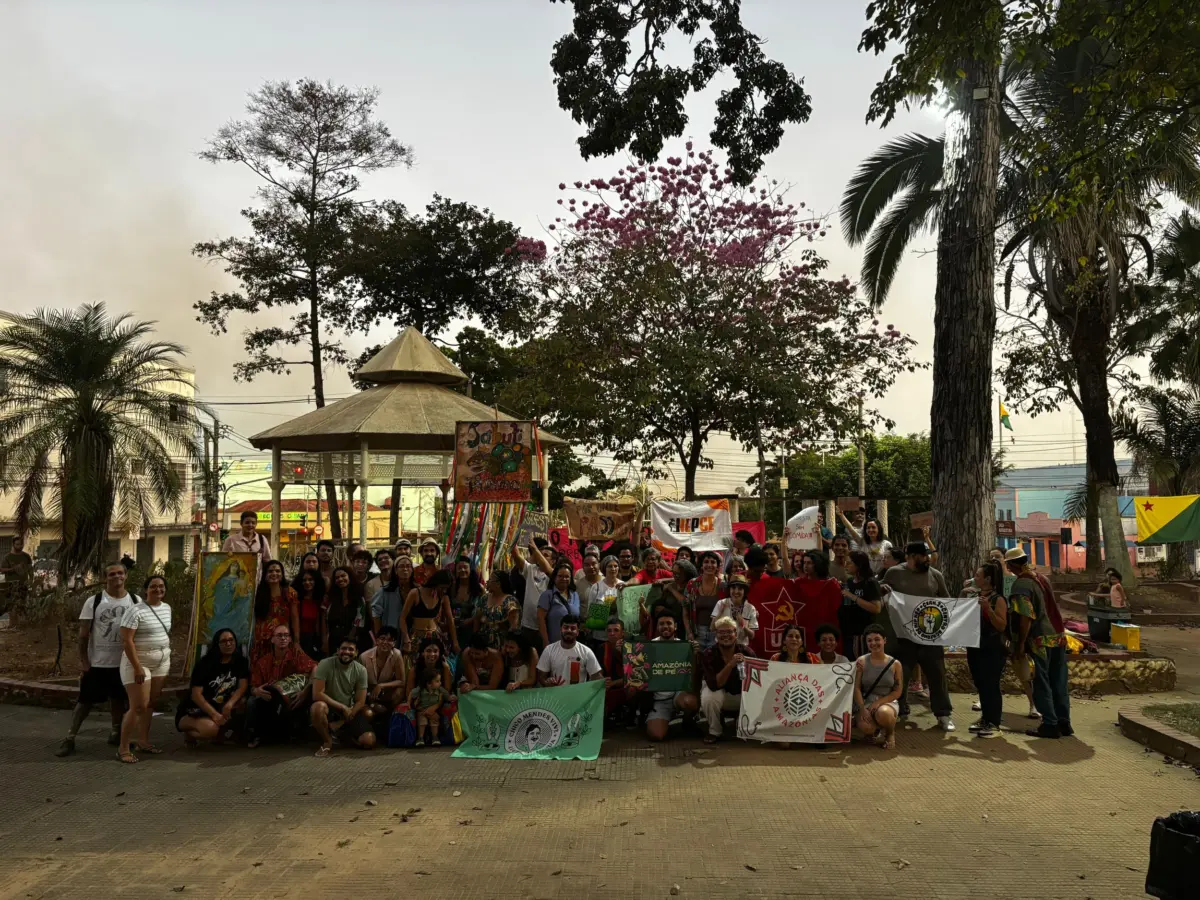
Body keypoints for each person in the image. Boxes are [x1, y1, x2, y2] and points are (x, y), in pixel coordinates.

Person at [56, 562, 140, 757]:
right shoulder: (94, 602)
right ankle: (70, 738)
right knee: (84, 702)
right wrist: (84, 662)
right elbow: (83, 635)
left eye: (120, 573)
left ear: (126, 575)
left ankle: (116, 732)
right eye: (112, 574)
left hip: (123, 663)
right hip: (98, 663)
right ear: (105, 578)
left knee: (118, 699)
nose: (117, 577)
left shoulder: (135, 601)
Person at [882, 541, 955, 731]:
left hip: (930, 636)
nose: (928, 558)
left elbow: (946, 601)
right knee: (900, 676)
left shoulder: (935, 575)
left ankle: (943, 714)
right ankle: (898, 709)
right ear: (912, 556)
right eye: (924, 555)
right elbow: (881, 592)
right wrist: (883, 590)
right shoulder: (894, 573)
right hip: (904, 636)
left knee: (937, 675)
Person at [1005, 548, 1071, 738]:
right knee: (1059, 681)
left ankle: (1050, 724)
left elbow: (1025, 616)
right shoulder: (1042, 578)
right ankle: (1064, 722)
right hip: (1058, 636)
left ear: (1011, 565)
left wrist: (1020, 643)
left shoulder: (1021, 585)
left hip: (1040, 639)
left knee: (1042, 682)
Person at [115, 574, 172, 763]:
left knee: (150, 704)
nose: (158, 589)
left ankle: (143, 741)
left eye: (161, 586)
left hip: (161, 663)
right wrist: (138, 667)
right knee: (138, 706)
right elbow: (127, 641)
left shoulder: (167, 608)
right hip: (138, 663)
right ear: (146, 590)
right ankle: (123, 748)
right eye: (153, 586)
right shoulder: (135, 611)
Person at [177, 628, 250, 747]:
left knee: (243, 702)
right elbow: (196, 695)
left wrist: (230, 704)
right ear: (217, 644)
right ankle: (189, 731)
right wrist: (214, 715)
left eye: (231, 640)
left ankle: (222, 733)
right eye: (224, 641)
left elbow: (243, 686)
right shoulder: (204, 664)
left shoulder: (241, 661)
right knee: (210, 730)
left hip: (222, 705)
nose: (228, 644)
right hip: (197, 709)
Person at [248, 623, 316, 747]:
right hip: (269, 699)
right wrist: (256, 691)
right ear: (272, 639)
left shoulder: (297, 655)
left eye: (286, 635)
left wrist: (305, 691)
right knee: (252, 701)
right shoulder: (263, 662)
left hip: (292, 698)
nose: (283, 638)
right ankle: (255, 736)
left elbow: (315, 668)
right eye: (279, 635)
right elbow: (253, 686)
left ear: (290, 639)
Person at [964, 559, 1008, 738]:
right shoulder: (975, 596)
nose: (975, 578)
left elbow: (1001, 625)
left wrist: (988, 609)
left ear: (988, 579)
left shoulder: (998, 600)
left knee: (991, 685)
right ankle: (986, 718)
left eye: (978, 576)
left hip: (992, 649)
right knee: (981, 684)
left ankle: (994, 723)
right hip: (975, 646)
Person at [311, 638, 375, 756]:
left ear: (356, 653)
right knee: (317, 707)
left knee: (368, 740)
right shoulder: (325, 664)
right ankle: (327, 741)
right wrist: (342, 707)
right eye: (343, 648)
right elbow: (317, 694)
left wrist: (343, 721)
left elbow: (360, 701)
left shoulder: (361, 670)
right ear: (337, 651)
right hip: (330, 707)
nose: (346, 652)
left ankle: (342, 735)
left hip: (349, 711)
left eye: (351, 649)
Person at [644, 613, 699, 741]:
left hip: (679, 694)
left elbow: (693, 674)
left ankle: (688, 720)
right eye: (661, 624)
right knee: (656, 735)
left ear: (675, 626)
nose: (665, 626)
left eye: (669, 623)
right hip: (660, 700)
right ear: (657, 627)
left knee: (690, 702)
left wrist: (695, 655)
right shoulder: (649, 647)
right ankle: (663, 719)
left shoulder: (685, 646)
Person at [699, 615, 755, 742]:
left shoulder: (747, 652)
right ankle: (715, 731)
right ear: (716, 635)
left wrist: (746, 665)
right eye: (721, 632)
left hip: (740, 697)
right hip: (720, 694)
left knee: (755, 695)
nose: (725, 635)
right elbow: (714, 685)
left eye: (729, 632)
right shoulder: (708, 654)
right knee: (708, 697)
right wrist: (730, 665)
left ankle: (742, 725)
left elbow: (756, 682)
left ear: (736, 633)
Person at [854, 624, 903, 749]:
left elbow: (897, 691)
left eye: (877, 639)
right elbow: (856, 687)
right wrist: (862, 708)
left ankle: (890, 733)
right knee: (866, 726)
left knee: (884, 713)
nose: (873, 643)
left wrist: (879, 702)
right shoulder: (861, 661)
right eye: (869, 640)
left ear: (884, 640)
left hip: (887, 701)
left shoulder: (895, 664)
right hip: (867, 701)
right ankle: (873, 731)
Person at [250, 560, 298, 662]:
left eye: (277, 571)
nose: (274, 573)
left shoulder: (290, 592)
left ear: (282, 574)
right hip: (261, 640)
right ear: (265, 574)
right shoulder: (257, 592)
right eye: (270, 571)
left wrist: (297, 641)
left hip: (282, 639)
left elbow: (295, 618)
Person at [401, 569, 458, 653]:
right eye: (442, 587)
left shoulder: (444, 597)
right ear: (436, 583)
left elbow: (450, 620)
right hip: (416, 636)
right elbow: (402, 618)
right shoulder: (415, 593)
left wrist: (455, 642)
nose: (444, 590)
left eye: (446, 588)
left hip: (435, 637)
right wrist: (406, 638)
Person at [536, 614, 602, 686]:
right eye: (566, 627)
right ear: (561, 630)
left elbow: (596, 676)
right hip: (556, 691)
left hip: (578, 693)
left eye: (573, 628)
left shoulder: (586, 652)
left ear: (577, 632)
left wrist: (593, 686)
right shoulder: (549, 650)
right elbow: (541, 677)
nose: (569, 630)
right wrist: (547, 683)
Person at [512, 538, 553, 651]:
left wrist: (535, 549)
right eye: (540, 554)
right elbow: (516, 555)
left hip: (545, 627)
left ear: (553, 560)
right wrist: (513, 535)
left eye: (546, 555)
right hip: (528, 626)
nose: (541, 556)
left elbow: (547, 569)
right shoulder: (531, 569)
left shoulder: (555, 574)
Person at [839, 550, 882, 659]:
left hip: (864, 633)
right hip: (849, 632)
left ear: (859, 565)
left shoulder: (870, 582)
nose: (846, 565)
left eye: (849, 563)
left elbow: (876, 608)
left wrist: (853, 596)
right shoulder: (849, 582)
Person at [359, 626, 406, 720]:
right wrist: (369, 698)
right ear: (377, 641)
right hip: (367, 694)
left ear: (394, 643)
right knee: (368, 714)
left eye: (390, 640)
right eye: (382, 638)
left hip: (386, 693)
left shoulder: (397, 654)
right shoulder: (364, 657)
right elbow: (359, 684)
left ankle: (390, 715)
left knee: (400, 691)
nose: (385, 642)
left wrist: (381, 686)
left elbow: (401, 681)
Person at [324, 566, 373, 655]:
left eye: (343, 576)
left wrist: (349, 639)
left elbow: (360, 620)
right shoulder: (332, 598)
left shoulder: (359, 597)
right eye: (337, 578)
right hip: (334, 640)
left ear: (349, 577)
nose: (340, 579)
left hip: (353, 641)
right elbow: (326, 619)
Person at [685, 551, 725, 647]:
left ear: (717, 566)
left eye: (713, 562)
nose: (709, 565)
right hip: (697, 633)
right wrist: (689, 632)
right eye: (706, 562)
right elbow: (685, 611)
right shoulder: (692, 584)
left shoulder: (723, 585)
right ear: (701, 565)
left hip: (718, 632)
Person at [474, 570, 521, 649]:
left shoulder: (510, 601)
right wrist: (475, 639)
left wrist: (507, 647)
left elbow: (513, 627)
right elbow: (477, 619)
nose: (487, 582)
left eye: (490, 580)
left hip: (501, 646)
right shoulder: (484, 598)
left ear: (498, 584)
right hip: (482, 645)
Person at [598, 617, 633, 723]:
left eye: (616, 630)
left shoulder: (631, 648)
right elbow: (598, 671)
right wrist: (602, 680)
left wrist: (622, 653)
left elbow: (634, 674)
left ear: (622, 633)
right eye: (609, 631)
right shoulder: (602, 648)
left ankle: (630, 715)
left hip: (625, 684)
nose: (612, 633)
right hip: (607, 684)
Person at [538, 561, 581, 647]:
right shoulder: (547, 595)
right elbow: (540, 620)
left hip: (572, 644)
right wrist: (546, 641)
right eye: (560, 576)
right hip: (554, 644)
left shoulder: (575, 595)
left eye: (567, 576)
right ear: (554, 577)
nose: (564, 579)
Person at [583, 556, 624, 646]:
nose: (613, 569)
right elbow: (591, 613)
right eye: (610, 566)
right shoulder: (596, 587)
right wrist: (610, 609)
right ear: (604, 568)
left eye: (615, 566)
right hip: (600, 637)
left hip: (618, 638)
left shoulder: (623, 585)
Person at [373, 555, 416, 637]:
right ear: (395, 570)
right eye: (401, 566)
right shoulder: (384, 591)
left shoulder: (418, 590)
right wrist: (379, 636)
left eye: (408, 566)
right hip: (391, 635)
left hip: (414, 634)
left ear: (412, 570)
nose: (405, 569)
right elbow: (376, 616)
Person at [711, 575, 758, 647]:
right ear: (729, 590)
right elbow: (712, 628)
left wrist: (743, 625)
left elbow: (752, 636)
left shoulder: (751, 608)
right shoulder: (721, 603)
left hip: (741, 648)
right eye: (733, 588)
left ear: (744, 591)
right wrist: (719, 613)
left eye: (740, 589)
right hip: (722, 647)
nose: (736, 591)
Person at [406, 637, 456, 703]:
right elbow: (408, 694)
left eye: (435, 651)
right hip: (420, 702)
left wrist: (436, 705)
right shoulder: (414, 670)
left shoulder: (444, 667)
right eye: (428, 651)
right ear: (422, 653)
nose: (432, 654)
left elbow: (447, 691)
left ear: (439, 653)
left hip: (440, 700)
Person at [222, 510, 272, 577]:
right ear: (241, 523)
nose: (250, 525)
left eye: (253, 523)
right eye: (247, 522)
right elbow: (224, 561)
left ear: (256, 524)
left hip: (258, 578)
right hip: (237, 578)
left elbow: (267, 560)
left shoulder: (262, 539)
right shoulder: (231, 540)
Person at [411, 668, 451, 747]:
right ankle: (420, 738)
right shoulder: (421, 689)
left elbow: (447, 695)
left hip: (433, 711)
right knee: (422, 721)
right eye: (437, 681)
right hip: (422, 710)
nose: (440, 683)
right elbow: (412, 693)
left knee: (434, 720)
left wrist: (451, 697)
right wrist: (409, 702)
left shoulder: (440, 689)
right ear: (429, 683)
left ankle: (435, 737)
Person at [450, 556, 484, 646]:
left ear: (471, 569)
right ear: (455, 571)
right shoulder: (453, 587)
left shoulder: (479, 588)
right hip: (454, 630)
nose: (462, 570)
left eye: (465, 567)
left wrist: (470, 620)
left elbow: (483, 609)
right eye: (459, 568)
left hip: (472, 630)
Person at [0, 534, 33, 610]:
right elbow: (2, 569)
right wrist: (14, 569)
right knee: (12, 608)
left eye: (21, 544)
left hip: (24, 585)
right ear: (13, 545)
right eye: (17, 544)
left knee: (23, 607)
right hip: (11, 587)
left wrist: (31, 579)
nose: (20, 546)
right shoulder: (7, 557)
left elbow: (30, 569)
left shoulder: (26, 556)